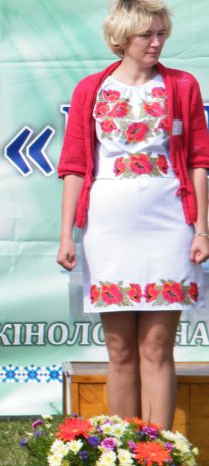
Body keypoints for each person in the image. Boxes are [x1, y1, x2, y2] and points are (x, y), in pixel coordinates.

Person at [57, 0, 209, 429]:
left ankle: (157, 456)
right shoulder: (90, 90)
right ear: (122, 38)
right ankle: (124, 456)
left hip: (170, 227)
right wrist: (66, 234)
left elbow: (200, 160)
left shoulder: (183, 86)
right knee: (120, 350)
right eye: (148, 35)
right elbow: (73, 166)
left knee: (157, 347)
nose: (157, 43)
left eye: (161, 34)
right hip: (108, 228)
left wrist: (203, 230)